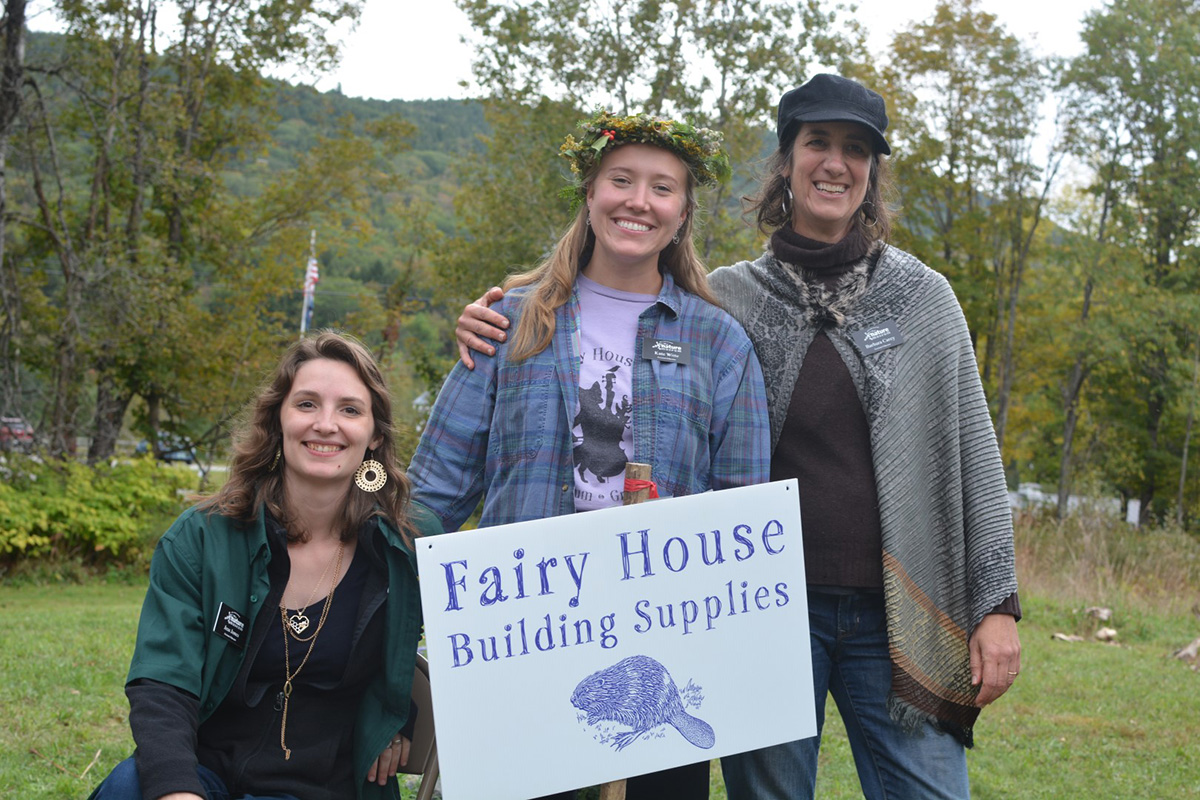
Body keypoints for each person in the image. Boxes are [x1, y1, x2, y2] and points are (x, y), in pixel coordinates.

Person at [453, 74, 1022, 800]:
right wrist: (491, 321)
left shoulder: (921, 298)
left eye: (856, 150)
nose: (835, 163)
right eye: (817, 143)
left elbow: (974, 455)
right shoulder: (730, 302)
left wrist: (996, 606)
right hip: (765, 614)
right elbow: (623, 319)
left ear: (873, 171)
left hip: (897, 608)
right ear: (785, 160)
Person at [407, 110, 771, 800]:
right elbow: (431, 494)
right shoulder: (510, 323)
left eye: (662, 188)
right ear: (590, 193)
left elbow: (742, 526)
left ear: (684, 211)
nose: (638, 201)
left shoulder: (720, 344)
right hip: (519, 644)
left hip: (656, 650)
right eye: (621, 180)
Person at [89, 331, 441, 800]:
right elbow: (162, 682)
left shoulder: (410, 542)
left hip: (326, 787)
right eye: (307, 404)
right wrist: (177, 790)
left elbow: (466, 654)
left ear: (375, 434)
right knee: (129, 788)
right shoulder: (202, 536)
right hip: (204, 773)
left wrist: (400, 717)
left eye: (350, 410)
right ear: (279, 418)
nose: (326, 424)